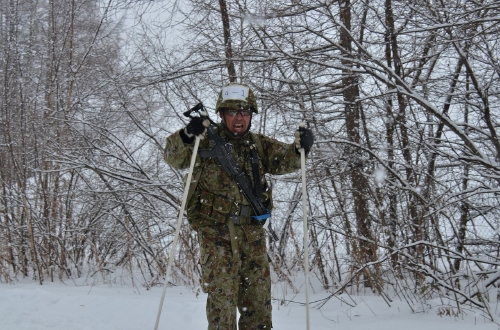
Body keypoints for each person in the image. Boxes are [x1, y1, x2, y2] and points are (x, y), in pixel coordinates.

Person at [164, 83, 314, 330]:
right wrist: (186, 135)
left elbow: (286, 160)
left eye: (244, 112)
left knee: (257, 304)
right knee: (222, 304)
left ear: (251, 115)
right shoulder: (203, 141)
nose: (238, 118)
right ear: (221, 114)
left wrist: (301, 148)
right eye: (232, 112)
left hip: (252, 234)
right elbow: (172, 156)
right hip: (216, 235)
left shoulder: (259, 144)